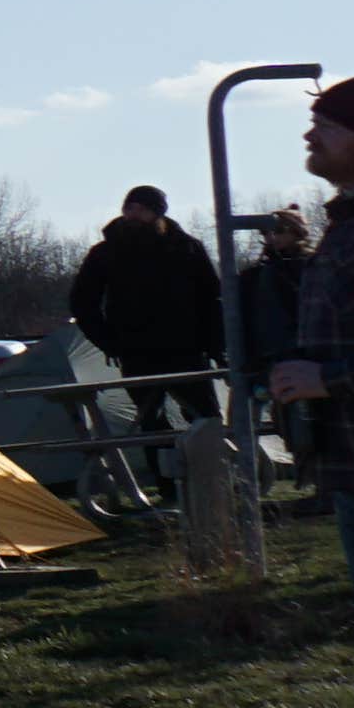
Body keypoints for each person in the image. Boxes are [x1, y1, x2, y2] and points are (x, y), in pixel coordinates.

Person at [71, 187, 228, 497]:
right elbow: (82, 302)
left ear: (157, 212)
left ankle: (214, 487)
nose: (133, 214)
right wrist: (109, 342)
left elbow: (212, 300)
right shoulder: (107, 252)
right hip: (137, 351)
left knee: (205, 419)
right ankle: (169, 490)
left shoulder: (186, 248)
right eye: (129, 207)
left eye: (141, 208)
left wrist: (215, 346)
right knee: (151, 423)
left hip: (187, 349)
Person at [270, 84, 354, 597]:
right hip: (351, 471)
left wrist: (327, 379)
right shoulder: (345, 224)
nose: (309, 137)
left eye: (326, 126)